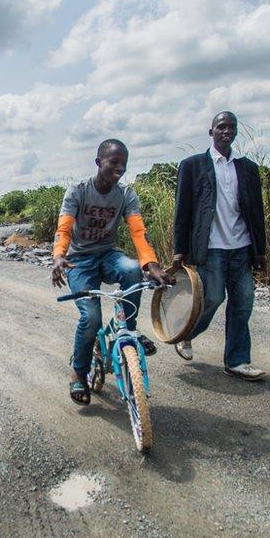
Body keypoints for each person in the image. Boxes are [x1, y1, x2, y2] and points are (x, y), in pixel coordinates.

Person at [52, 139, 173, 405]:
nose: (120, 168)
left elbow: (138, 233)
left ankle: (128, 331)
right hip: (79, 261)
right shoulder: (78, 191)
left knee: (132, 270)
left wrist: (150, 264)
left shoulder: (126, 194)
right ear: (98, 163)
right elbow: (64, 228)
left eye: (124, 164)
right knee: (92, 317)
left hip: (107, 255)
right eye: (113, 162)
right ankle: (78, 371)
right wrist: (59, 256)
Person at [172, 111, 266, 380]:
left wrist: (260, 250)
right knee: (212, 298)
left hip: (241, 247)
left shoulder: (247, 168)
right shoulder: (192, 166)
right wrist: (180, 248)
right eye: (221, 126)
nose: (227, 131)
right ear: (211, 132)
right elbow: (182, 210)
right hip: (210, 247)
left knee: (243, 302)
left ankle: (237, 361)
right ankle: (186, 334)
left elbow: (256, 212)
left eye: (232, 127)